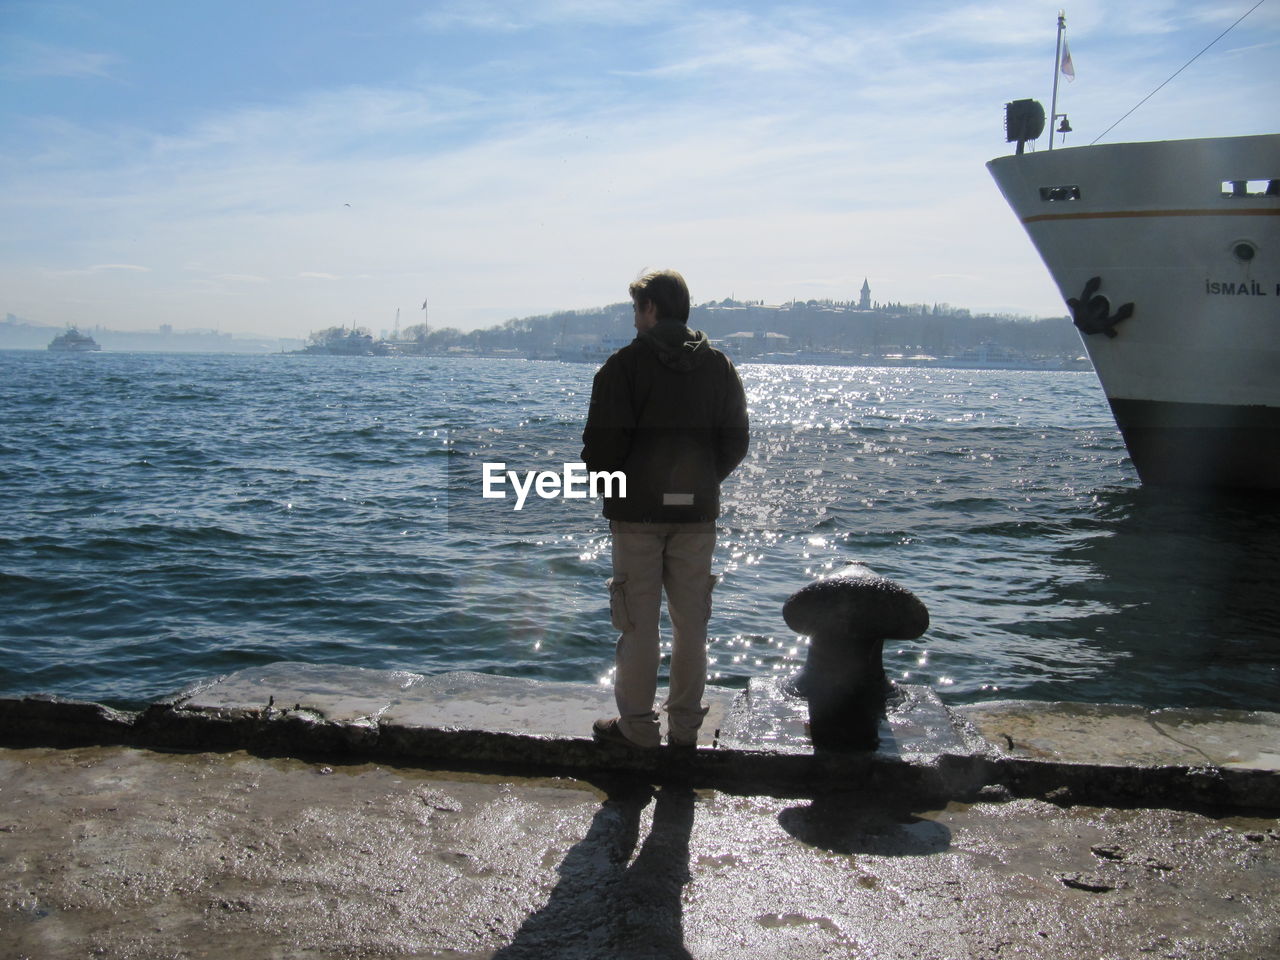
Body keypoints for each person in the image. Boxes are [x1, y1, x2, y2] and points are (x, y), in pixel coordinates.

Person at [581, 269, 749, 748]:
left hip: (638, 516)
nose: (635, 319)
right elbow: (736, 440)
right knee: (691, 625)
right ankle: (685, 732)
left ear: (652, 308)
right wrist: (698, 483)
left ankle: (637, 729)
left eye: (637, 308)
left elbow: (601, 449)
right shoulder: (719, 366)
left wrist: (617, 488)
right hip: (696, 514)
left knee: (637, 624)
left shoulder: (623, 367)